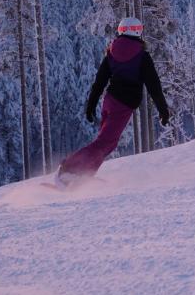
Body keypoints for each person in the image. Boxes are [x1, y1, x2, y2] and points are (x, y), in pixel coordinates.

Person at [54, 17, 171, 188]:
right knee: (105, 143)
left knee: (105, 142)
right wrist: (163, 110)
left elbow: (100, 80)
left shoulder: (112, 52)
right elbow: (154, 86)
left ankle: (83, 175)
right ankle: (68, 170)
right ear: (137, 31)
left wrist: (91, 105)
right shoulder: (142, 56)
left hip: (109, 101)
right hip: (123, 105)